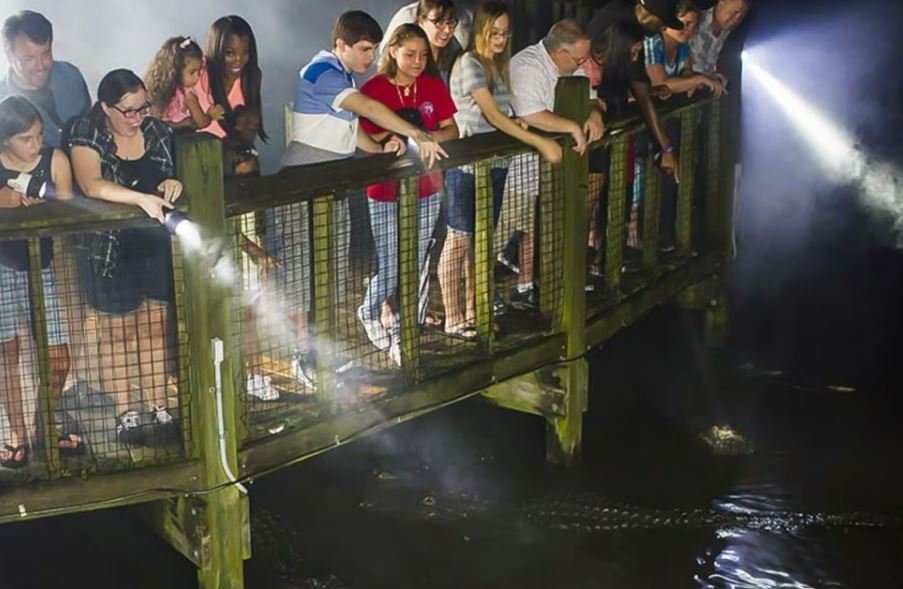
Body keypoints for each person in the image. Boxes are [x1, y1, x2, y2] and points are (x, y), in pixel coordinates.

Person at [272, 10, 446, 387]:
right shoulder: (321, 72)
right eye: (365, 49)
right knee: (304, 279)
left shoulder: (344, 75)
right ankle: (303, 357)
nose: (371, 58)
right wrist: (418, 133)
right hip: (300, 189)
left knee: (330, 274)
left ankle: (323, 354)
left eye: (374, 50)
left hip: (331, 188)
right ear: (341, 45)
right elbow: (367, 109)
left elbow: (351, 133)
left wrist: (382, 145)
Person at [68, 69, 182, 446]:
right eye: (128, 110)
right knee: (117, 335)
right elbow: (91, 183)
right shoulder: (87, 132)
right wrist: (140, 198)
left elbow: (171, 174)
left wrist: (172, 183)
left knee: (153, 329)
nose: (138, 117)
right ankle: (126, 413)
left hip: (155, 247)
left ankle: (159, 406)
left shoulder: (159, 132)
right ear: (106, 107)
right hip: (108, 251)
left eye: (143, 108)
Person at [440, 0, 562, 337]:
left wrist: (517, 121)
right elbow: (491, 116)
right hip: (467, 167)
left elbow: (500, 116)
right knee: (459, 239)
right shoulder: (470, 63)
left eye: (505, 33)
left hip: (495, 165)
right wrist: (540, 141)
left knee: (482, 241)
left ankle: (474, 311)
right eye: (494, 32)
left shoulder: (496, 65)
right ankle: (453, 316)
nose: (501, 38)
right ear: (480, 30)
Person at [359, 24, 459, 363]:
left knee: (417, 260)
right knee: (390, 263)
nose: (417, 61)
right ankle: (370, 310)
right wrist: (387, 141)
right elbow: (363, 135)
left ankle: (407, 335)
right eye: (410, 54)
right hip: (384, 191)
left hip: (427, 187)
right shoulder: (373, 89)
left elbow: (452, 129)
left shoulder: (432, 85)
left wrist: (425, 138)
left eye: (423, 55)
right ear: (392, 52)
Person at [504, 19, 605, 311]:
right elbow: (531, 113)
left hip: (552, 165)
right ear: (560, 52)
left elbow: (592, 97)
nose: (583, 63)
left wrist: (595, 113)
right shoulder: (527, 67)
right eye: (578, 59)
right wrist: (573, 127)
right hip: (519, 164)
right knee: (507, 227)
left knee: (538, 224)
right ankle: (488, 294)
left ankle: (529, 284)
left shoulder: (571, 66)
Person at [0, 96, 75, 467]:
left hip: (41, 266)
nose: (36, 144)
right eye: (26, 138)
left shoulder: (54, 159)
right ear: (5, 141)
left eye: (39, 134)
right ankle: (16, 436)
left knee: (59, 358)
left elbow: (68, 202)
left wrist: (38, 205)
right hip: (2, 268)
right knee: (6, 356)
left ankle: (43, 425)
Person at [587, 0, 683, 180]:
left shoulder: (630, 28)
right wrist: (666, 147)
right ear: (646, 13)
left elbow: (639, 88)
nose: (662, 29)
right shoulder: (622, 27)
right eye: (661, 23)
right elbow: (641, 94)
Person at [0, 10, 90, 149]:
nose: (41, 66)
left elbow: (91, 124)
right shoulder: (2, 103)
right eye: (29, 58)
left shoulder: (71, 75)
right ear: (9, 55)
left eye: (46, 54)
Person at [194, 15, 267, 143]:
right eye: (230, 53)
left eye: (245, 52)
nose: (238, 60)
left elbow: (250, 129)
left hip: (232, 154)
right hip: (191, 154)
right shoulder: (197, 72)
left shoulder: (251, 78)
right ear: (216, 49)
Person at [144, 36, 226, 130]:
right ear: (176, 71)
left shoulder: (158, 90)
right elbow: (201, 122)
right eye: (192, 72)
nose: (197, 77)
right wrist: (210, 116)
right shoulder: (188, 95)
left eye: (199, 71)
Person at [379, 0, 473, 66]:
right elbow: (384, 60)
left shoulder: (463, 16)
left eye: (451, 23)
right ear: (421, 21)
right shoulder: (407, 15)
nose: (448, 30)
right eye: (439, 23)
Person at [689, 0, 751, 82]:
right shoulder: (694, 22)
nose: (737, 19)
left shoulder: (732, 37)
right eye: (735, 12)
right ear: (722, 3)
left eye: (741, 16)